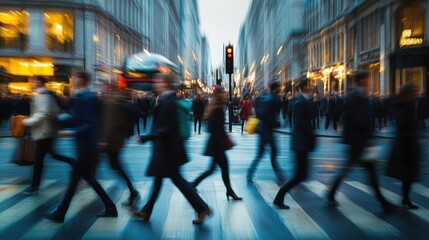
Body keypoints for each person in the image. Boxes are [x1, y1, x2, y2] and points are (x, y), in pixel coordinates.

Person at [133, 73, 211, 225]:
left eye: (158, 81)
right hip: (166, 148)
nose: (155, 83)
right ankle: (146, 211)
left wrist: (146, 137)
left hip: (167, 150)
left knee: (177, 181)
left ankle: (202, 208)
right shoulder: (165, 99)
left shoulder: (168, 101)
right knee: (160, 181)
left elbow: (166, 127)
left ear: (165, 83)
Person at [45, 71, 117, 223]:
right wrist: (63, 118)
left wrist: (70, 132)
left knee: (75, 180)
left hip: (86, 146)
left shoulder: (84, 97)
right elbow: (81, 120)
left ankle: (60, 213)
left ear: (81, 80)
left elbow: (89, 124)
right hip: (86, 146)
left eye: (75, 77)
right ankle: (110, 207)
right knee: (88, 178)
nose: (72, 80)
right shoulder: (82, 97)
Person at [326, 71, 398, 213]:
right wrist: (369, 126)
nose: (368, 81)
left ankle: (331, 194)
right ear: (361, 80)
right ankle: (384, 204)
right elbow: (356, 118)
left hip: (359, 141)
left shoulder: (358, 95)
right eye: (366, 79)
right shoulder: (356, 96)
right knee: (366, 173)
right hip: (358, 142)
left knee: (364, 172)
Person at [22, 76, 74, 195]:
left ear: (40, 82)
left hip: (44, 131)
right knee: (52, 155)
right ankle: (74, 162)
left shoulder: (43, 94)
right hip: (49, 130)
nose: (31, 83)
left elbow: (43, 114)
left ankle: (34, 186)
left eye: (33, 81)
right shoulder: (48, 93)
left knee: (39, 159)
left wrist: (26, 122)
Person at [192, 86, 242, 201]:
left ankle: (194, 184)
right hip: (217, 145)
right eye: (223, 93)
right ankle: (229, 191)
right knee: (223, 168)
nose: (225, 95)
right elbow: (215, 128)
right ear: (219, 95)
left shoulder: (214, 107)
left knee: (213, 169)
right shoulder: (218, 109)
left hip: (216, 144)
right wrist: (222, 141)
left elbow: (212, 127)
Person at [273, 78, 316, 209]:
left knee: (301, 175)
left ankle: (279, 197)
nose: (312, 87)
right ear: (305, 87)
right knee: (300, 175)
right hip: (301, 143)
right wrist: (310, 133)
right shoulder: (299, 101)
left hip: (302, 142)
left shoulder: (302, 100)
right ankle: (279, 197)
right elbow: (300, 122)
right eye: (310, 85)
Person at [98, 86, 140, 206]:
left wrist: (104, 140)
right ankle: (133, 192)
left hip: (112, 141)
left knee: (116, 166)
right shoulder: (119, 100)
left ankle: (133, 192)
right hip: (117, 140)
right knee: (116, 166)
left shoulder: (112, 101)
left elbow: (110, 122)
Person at [386, 82, 421, 209]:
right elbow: (405, 127)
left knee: (408, 175)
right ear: (408, 94)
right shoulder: (405, 107)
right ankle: (405, 198)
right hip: (406, 146)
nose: (417, 93)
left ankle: (406, 198)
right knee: (407, 174)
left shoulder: (409, 105)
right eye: (414, 91)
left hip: (407, 144)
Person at [247, 82, 285, 183]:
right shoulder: (273, 99)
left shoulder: (265, 98)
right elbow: (269, 116)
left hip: (263, 129)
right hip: (267, 131)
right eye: (279, 87)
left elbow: (260, 113)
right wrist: (276, 124)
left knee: (261, 154)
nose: (280, 89)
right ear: (276, 88)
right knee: (272, 154)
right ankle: (280, 176)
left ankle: (250, 173)